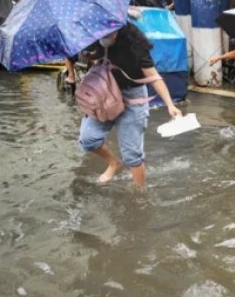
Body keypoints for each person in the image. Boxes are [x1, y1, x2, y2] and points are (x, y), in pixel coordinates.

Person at [78, 23, 182, 188]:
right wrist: (88, 55)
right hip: (104, 95)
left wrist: (170, 104)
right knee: (88, 139)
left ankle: (140, 195)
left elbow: (154, 76)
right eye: (102, 34)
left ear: (117, 28)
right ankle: (114, 163)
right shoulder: (93, 37)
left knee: (132, 156)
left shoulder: (135, 43)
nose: (105, 37)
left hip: (132, 98)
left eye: (109, 34)